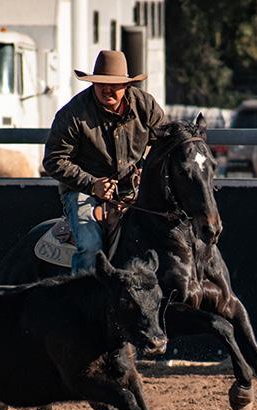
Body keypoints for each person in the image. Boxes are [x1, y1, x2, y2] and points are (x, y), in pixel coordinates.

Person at [43, 49, 166, 273]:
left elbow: (165, 144)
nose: (107, 89)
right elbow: (53, 159)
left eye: (114, 85)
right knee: (90, 247)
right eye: (101, 83)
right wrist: (92, 184)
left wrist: (146, 170)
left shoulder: (146, 106)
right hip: (83, 192)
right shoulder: (73, 113)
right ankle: (85, 292)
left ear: (126, 85)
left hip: (134, 188)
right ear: (93, 83)